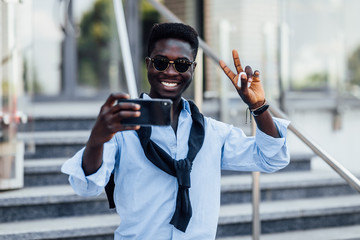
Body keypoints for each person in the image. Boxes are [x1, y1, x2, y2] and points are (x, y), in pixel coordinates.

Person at [61, 22, 290, 240]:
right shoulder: (122, 129)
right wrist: (96, 140)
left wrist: (258, 107)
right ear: (148, 64)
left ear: (193, 69)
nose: (171, 72)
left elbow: (270, 158)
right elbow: (87, 186)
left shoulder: (211, 133)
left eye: (181, 64)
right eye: (161, 62)